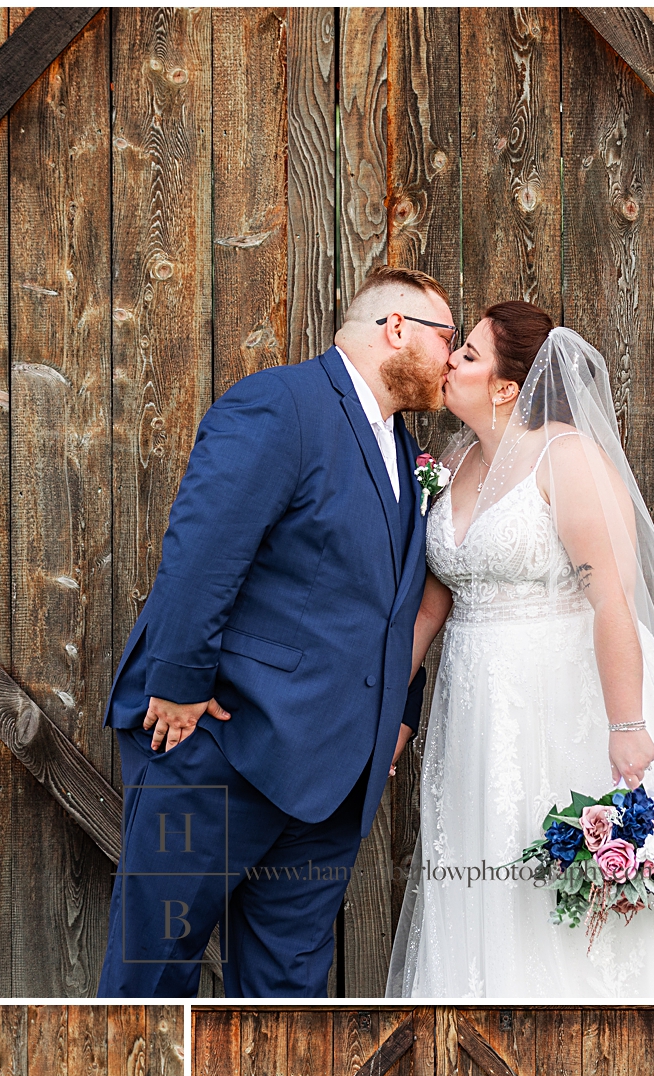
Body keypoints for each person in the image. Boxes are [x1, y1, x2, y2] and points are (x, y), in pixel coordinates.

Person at [97, 265, 454, 997]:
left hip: (330, 784)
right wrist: (177, 683)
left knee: (287, 998)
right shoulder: (281, 405)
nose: (452, 359)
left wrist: (397, 715)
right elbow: (203, 549)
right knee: (154, 974)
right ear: (396, 329)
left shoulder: (404, 451)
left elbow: (390, 607)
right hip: (215, 753)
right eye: (447, 338)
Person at [387, 305, 654, 999]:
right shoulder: (458, 462)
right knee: (483, 863)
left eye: (466, 354)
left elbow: (611, 599)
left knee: (561, 876)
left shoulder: (565, 458)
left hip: (564, 703)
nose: (449, 363)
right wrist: (373, 710)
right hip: (474, 708)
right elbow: (430, 609)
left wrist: (626, 725)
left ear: (504, 387)